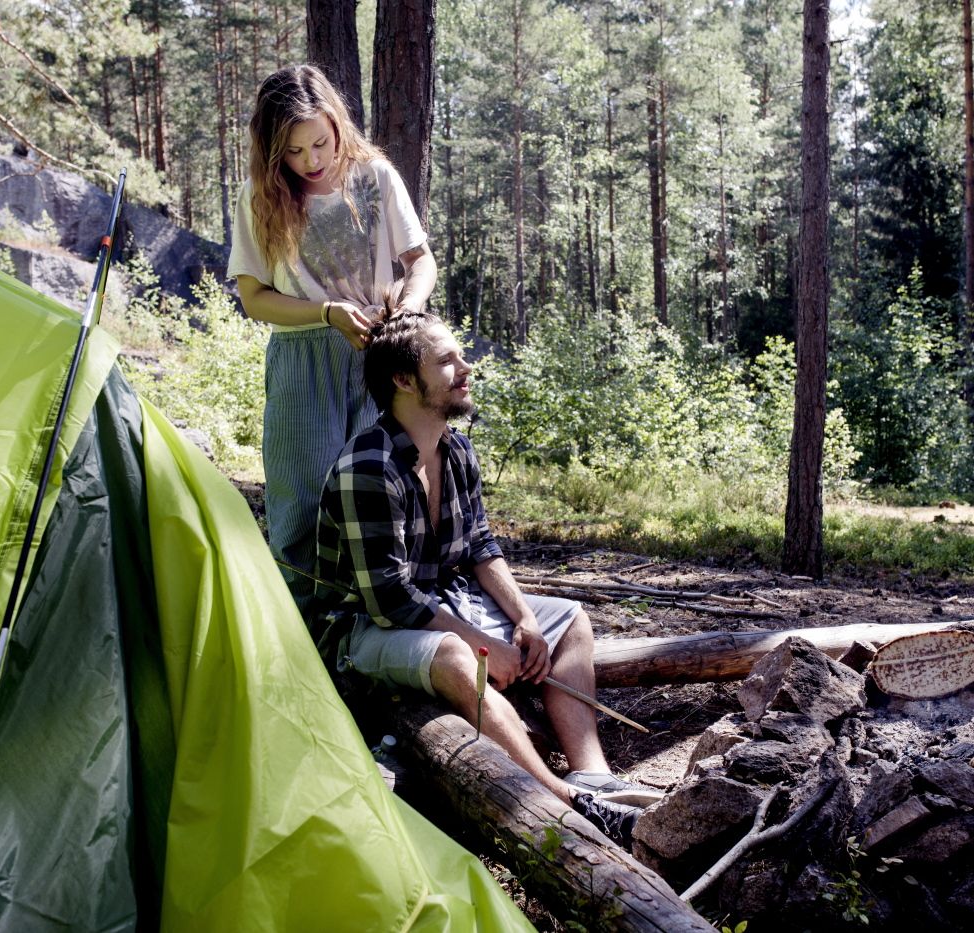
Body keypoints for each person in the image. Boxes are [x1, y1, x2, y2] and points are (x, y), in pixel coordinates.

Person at [314, 309, 660, 849]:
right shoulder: (368, 466)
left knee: (569, 621)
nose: (465, 367)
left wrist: (523, 620)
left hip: (441, 603)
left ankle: (593, 775)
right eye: (447, 360)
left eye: (461, 355)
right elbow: (385, 597)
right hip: (362, 630)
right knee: (457, 656)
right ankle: (566, 803)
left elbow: (479, 545)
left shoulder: (455, 449)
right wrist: (481, 645)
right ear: (404, 380)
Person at [228, 65, 437, 606]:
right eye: (294, 152)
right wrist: (327, 313)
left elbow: (421, 262)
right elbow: (254, 299)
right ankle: (307, 627)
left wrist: (406, 312)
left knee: (385, 488)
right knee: (302, 499)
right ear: (273, 151)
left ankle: (387, 617)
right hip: (303, 358)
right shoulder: (259, 195)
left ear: (337, 125)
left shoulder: (375, 178)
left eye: (320, 143)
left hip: (381, 353)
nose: (311, 161)